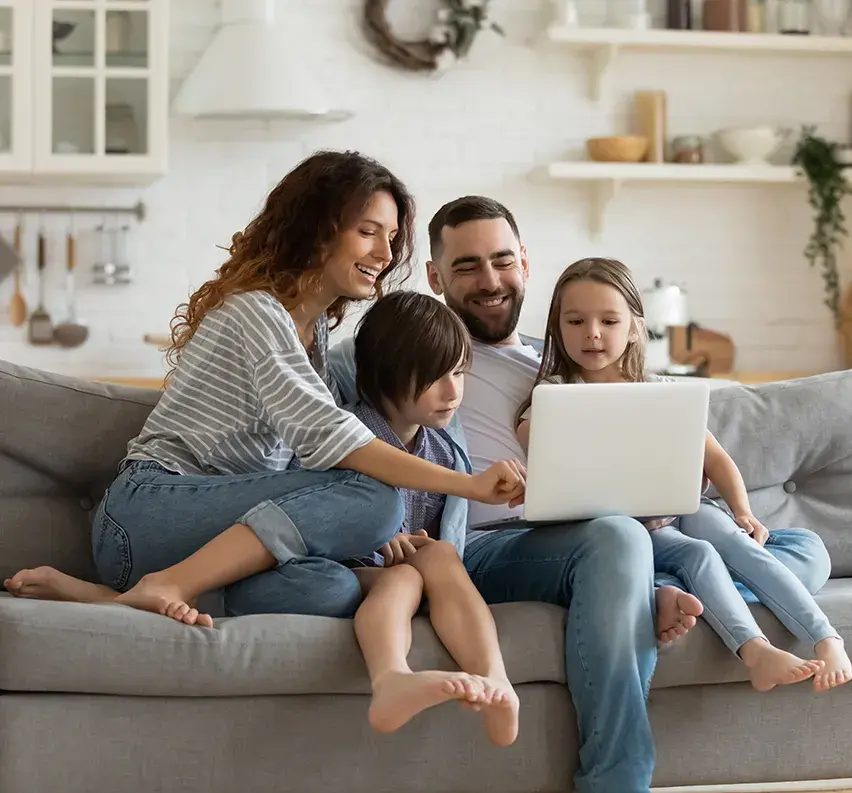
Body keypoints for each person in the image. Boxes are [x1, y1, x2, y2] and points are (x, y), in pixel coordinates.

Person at [416, 196, 834, 793]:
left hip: (615, 535)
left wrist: (696, 491)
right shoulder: (424, 356)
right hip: (499, 544)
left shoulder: (558, 358)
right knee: (622, 537)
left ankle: (648, 590)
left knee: (804, 550)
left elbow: (687, 451)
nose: (490, 280)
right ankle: (617, 777)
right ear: (435, 277)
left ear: (525, 264)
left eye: (502, 261)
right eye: (466, 266)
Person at [3, 152, 525, 628]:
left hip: (219, 535)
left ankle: (115, 600)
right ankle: (167, 585)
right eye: (369, 232)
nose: (386, 253)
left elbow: (309, 463)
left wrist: (360, 531)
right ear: (318, 231)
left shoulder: (315, 336)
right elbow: (335, 442)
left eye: (391, 237)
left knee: (333, 587)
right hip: (148, 515)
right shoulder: (257, 313)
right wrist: (471, 485)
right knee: (377, 500)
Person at [514, 256, 850, 695]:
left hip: (679, 510)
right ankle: (754, 650)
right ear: (557, 328)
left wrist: (743, 512)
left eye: (608, 321)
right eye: (575, 321)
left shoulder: (661, 391)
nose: (592, 333)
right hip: (623, 532)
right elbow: (536, 449)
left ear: (634, 327)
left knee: (736, 540)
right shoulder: (554, 397)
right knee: (699, 555)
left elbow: (718, 460)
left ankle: (827, 639)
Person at [309, 290, 518, 745]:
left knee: (441, 556)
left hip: (421, 574)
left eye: (459, 372)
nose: (453, 391)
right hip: (351, 570)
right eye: (434, 378)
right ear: (385, 376)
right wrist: (372, 535)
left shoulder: (443, 450)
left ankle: (496, 681)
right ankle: (392, 678)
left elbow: (442, 537)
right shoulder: (348, 437)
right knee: (403, 578)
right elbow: (314, 512)